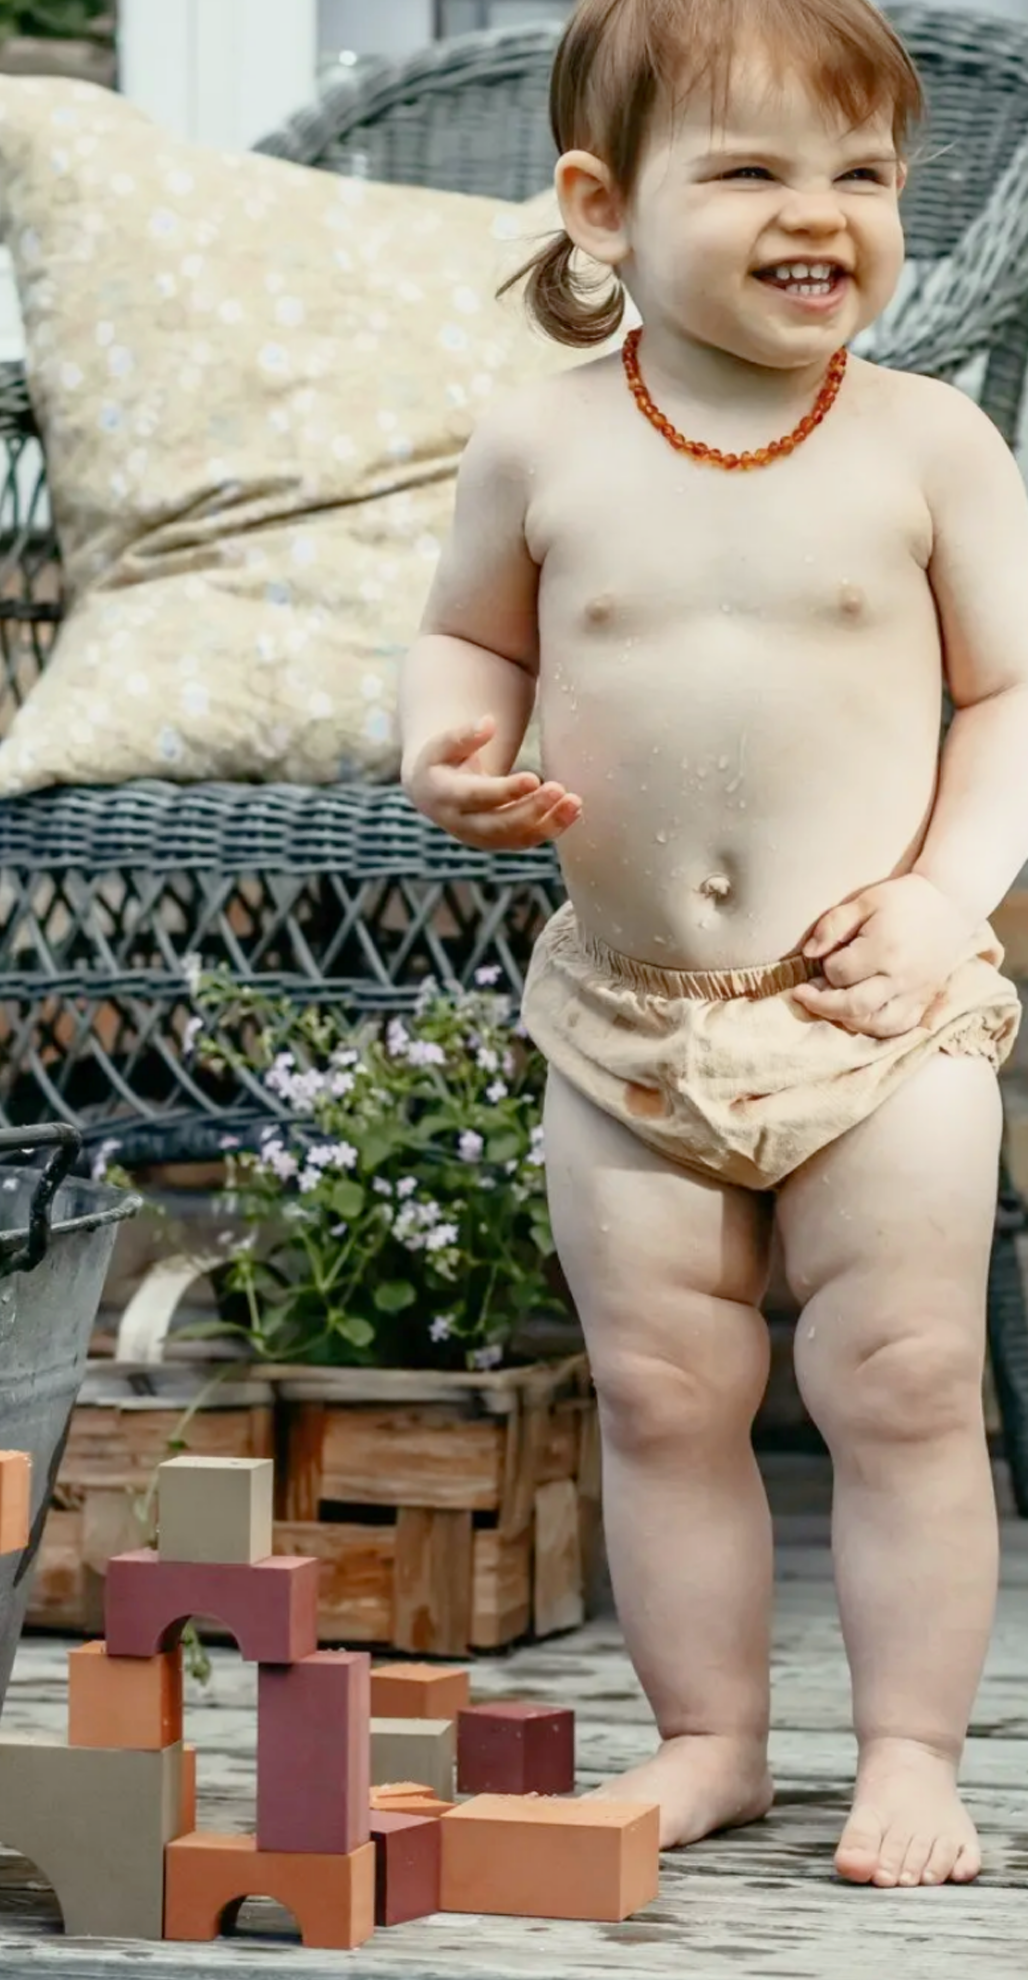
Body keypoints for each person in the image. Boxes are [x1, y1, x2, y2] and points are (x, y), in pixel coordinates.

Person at [400, 0, 1028, 1890]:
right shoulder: (541, 445)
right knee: (666, 1396)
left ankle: (910, 1751)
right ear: (603, 207)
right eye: (752, 169)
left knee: (903, 1379)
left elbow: (1012, 698)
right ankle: (713, 1741)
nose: (819, 212)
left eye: (863, 174)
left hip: (878, 1017)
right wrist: (448, 750)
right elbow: (472, 642)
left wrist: (944, 899)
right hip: (627, 1021)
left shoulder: (932, 444)